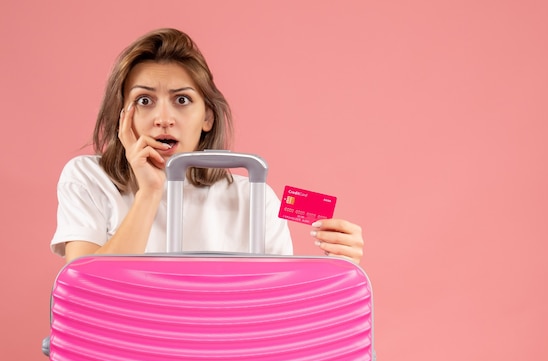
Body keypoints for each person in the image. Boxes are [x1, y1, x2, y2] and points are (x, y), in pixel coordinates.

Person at [50, 28, 364, 264]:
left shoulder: (253, 197)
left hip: (226, 351)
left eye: (182, 100)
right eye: (144, 100)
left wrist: (341, 266)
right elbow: (87, 295)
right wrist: (149, 194)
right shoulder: (88, 177)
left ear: (207, 118)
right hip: (121, 349)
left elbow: (273, 310)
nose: (163, 118)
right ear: (123, 116)